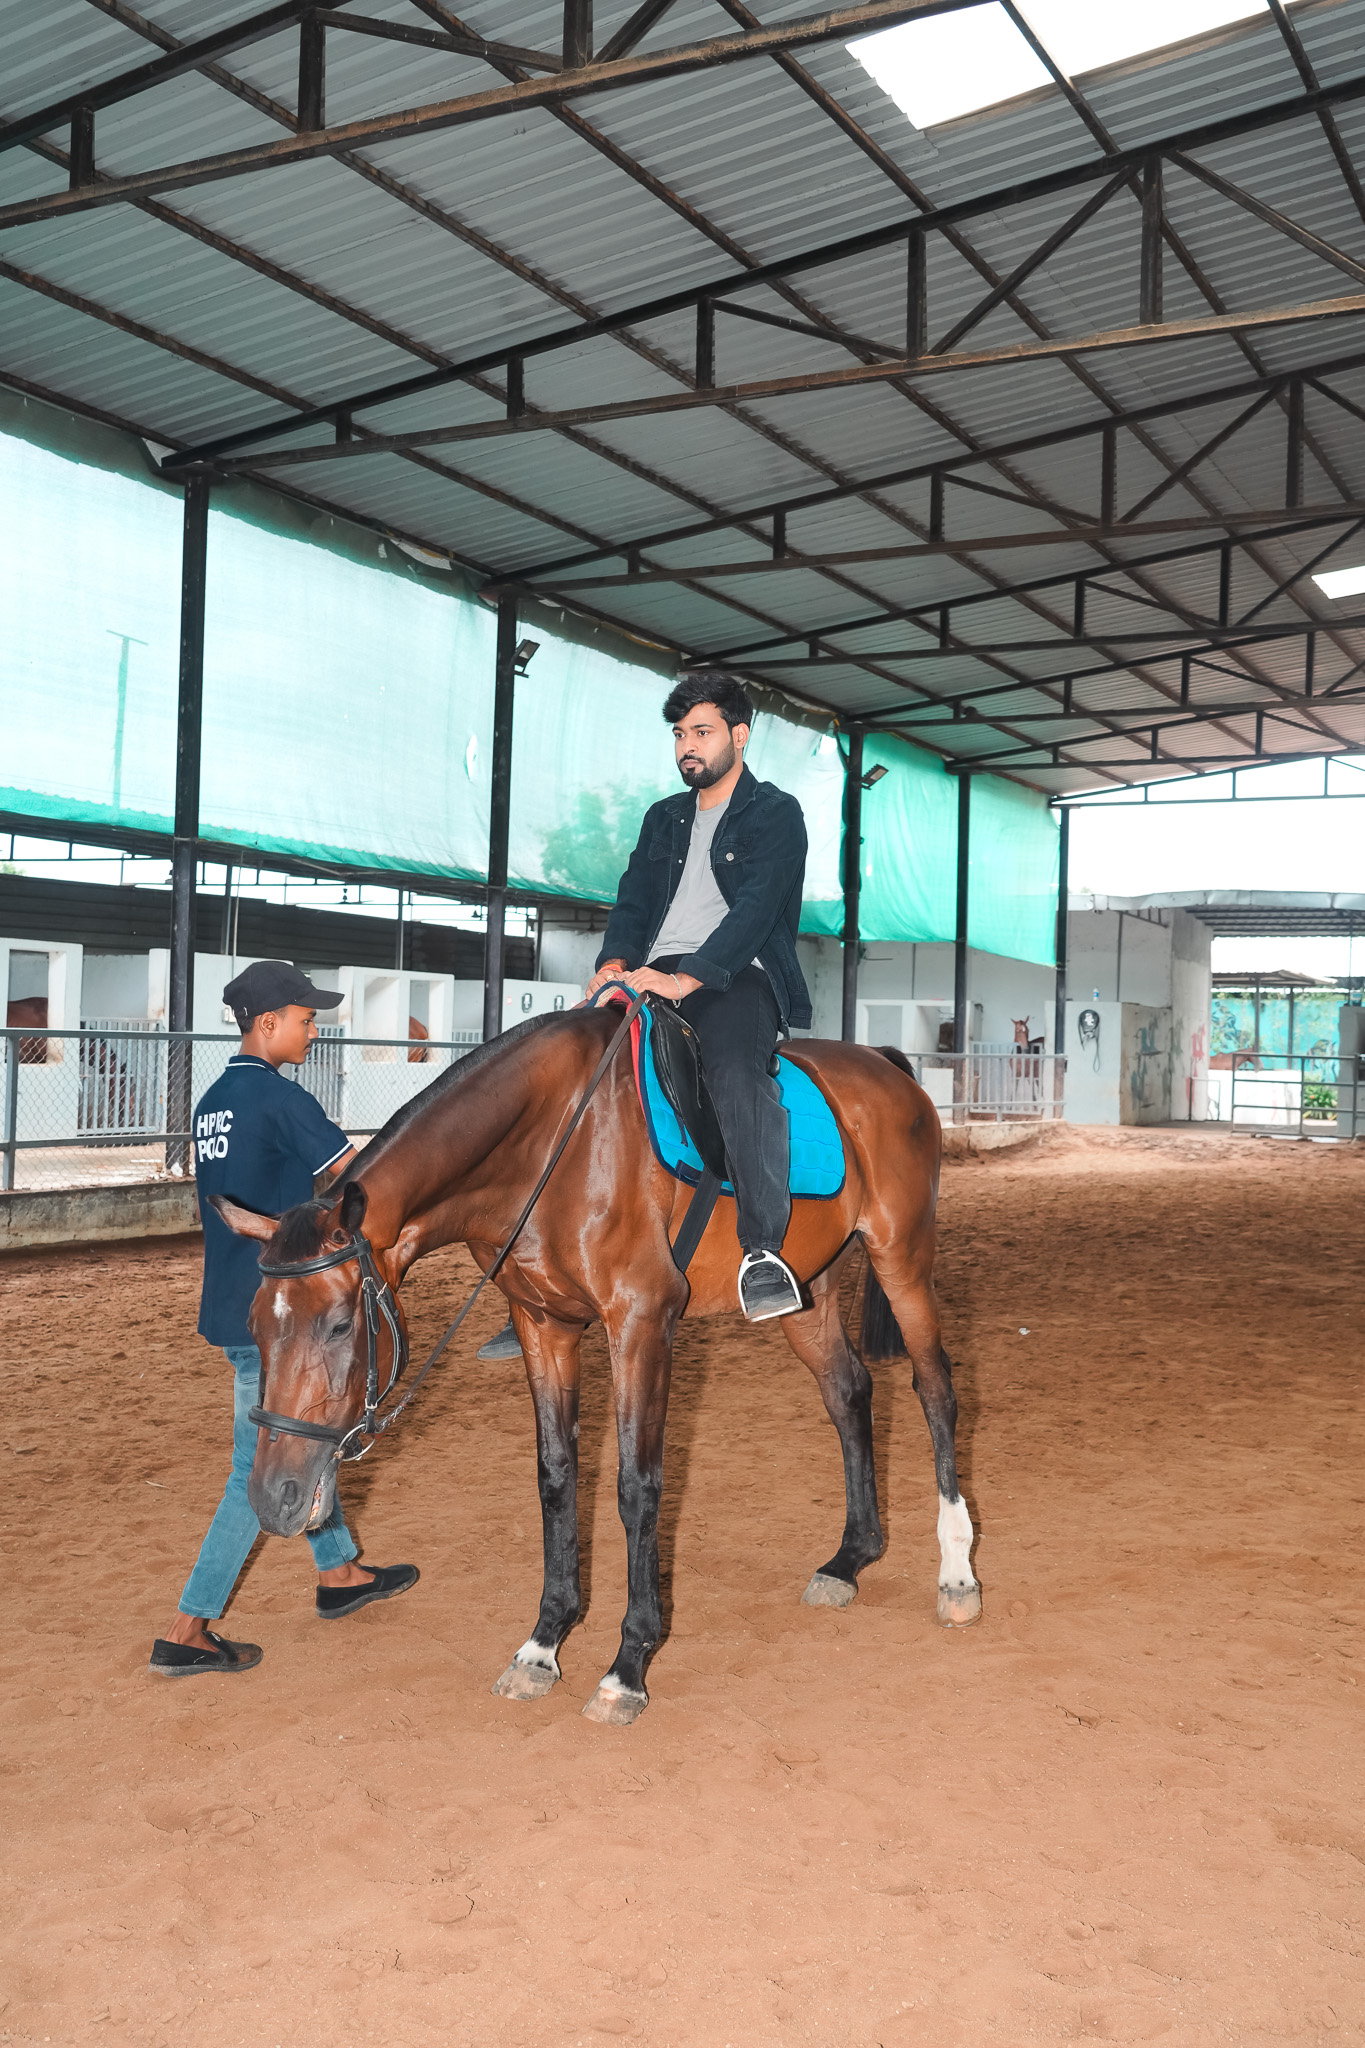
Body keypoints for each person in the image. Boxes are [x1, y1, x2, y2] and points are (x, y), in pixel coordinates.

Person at [148, 960, 419, 1677]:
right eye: (304, 1018)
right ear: (267, 1023)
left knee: (303, 1440)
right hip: (288, 1318)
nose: (313, 1028)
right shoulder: (280, 1099)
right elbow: (364, 1180)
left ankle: (338, 1575)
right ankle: (188, 1627)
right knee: (256, 1467)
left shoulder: (214, 1100)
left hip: (237, 1304)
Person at [584, 669, 811, 1321]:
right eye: (680, 733)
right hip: (652, 973)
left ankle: (762, 1250)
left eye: (702, 732)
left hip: (736, 973)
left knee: (736, 1074)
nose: (688, 744)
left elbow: (756, 907)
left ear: (738, 736)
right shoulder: (663, 819)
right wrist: (613, 964)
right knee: (564, 1064)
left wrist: (692, 976)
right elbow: (632, 901)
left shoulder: (774, 814)